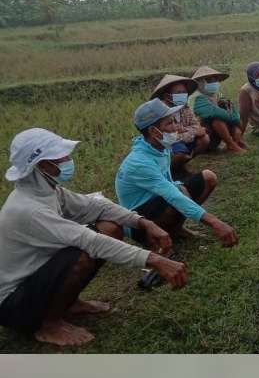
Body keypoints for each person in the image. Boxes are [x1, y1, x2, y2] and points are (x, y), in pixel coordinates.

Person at [0, 128, 187, 347]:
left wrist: (143, 222)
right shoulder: (29, 209)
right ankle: (48, 325)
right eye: (63, 157)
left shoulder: (47, 190)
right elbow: (90, 241)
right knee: (84, 253)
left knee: (110, 228)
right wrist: (154, 260)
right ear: (43, 165)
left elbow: (95, 206)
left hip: (36, 277)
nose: (69, 160)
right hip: (13, 304)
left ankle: (69, 303)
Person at [115, 98, 240, 249]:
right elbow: (172, 195)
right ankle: (152, 240)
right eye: (169, 123)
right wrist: (215, 222)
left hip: (159, 201)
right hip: (139, 222)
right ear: (154, 131)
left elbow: (169, 183)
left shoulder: (161, 148)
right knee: (177, 196)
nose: (177, 127)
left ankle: (175, 230)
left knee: (207, 178)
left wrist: (181, 189)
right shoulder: (139, 162)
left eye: (174, 121)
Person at [151, 74, 210, 177]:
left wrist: (182, 131)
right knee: (180, 154)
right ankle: (168, 172)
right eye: (179, 93)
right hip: (167, 145)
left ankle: (180, 166)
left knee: (204, 139)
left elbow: (196, 125)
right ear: (167, 96)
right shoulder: (161, 112)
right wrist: (191, 132)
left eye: (184, 92)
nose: (183, 95)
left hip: (180, 139)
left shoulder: (184, 107)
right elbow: (165, 137)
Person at [189, 66, 247, 154]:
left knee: (231, 120)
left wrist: (235, 118)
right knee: (218, 120)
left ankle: (236, 142)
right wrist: (236, 119)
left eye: (215, 79)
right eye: (209, 80)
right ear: (199, 83)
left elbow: (231, 108)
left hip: (213, 135)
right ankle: (231, 144)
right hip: (202, 137)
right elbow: (216, 113)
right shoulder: (196, 97)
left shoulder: (216, 94)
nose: (213, 82)